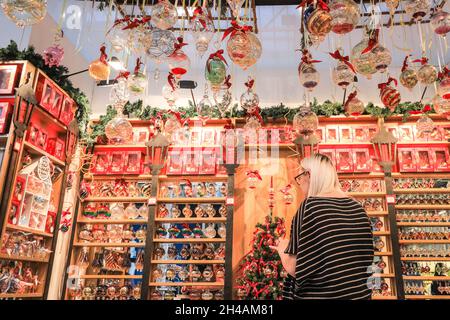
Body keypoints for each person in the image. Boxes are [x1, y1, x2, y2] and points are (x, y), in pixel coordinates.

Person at [270, 153, 374, 300]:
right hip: (359, 295)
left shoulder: (310, 207)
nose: (299, 183)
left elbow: (295, 268)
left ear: (310, 175)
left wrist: (282, 249)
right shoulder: (358, 207)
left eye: (299, 177)